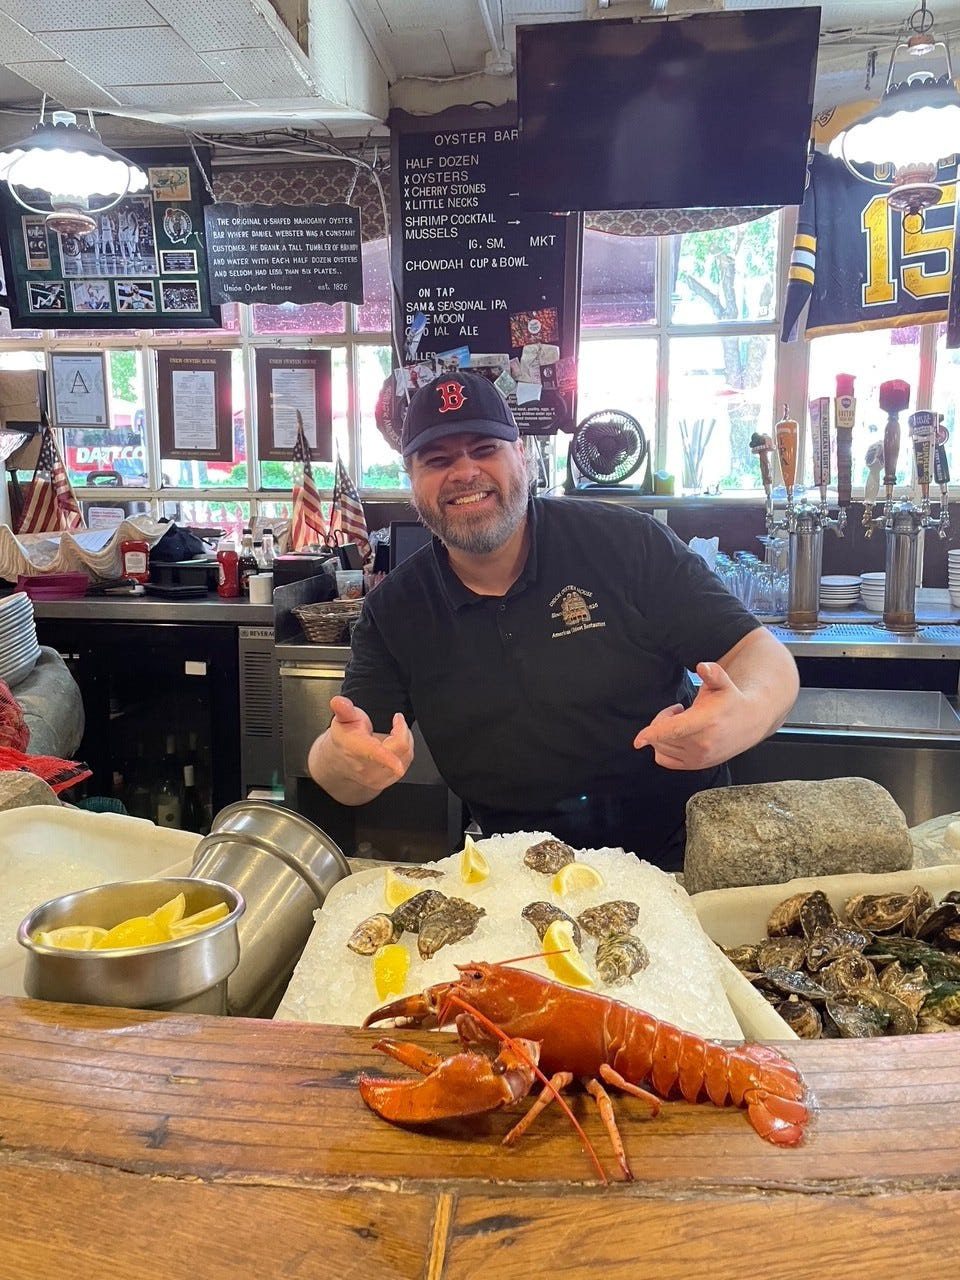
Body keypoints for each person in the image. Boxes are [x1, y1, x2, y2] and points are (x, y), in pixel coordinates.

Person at [307, 370, 799, 869]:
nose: (464, 472)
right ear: (411, 482)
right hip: (522, 875)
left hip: (682, 856)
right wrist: (339, 760)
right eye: (437, 460)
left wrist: (743, 716)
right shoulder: (395, 612)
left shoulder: (627, 544)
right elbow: (342, 762)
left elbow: (763, 660)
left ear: (521, 456)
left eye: (484, 449)